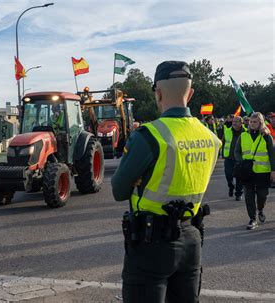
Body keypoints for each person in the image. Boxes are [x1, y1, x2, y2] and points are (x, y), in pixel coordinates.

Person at [112, 61, 221, 303]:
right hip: (191, 240)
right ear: (190, 94)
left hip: (151, 243)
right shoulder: (211, 138)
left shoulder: (150, 135)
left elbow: (119, 190)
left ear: (158, 92)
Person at [235, 112, 275, 230]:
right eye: (251, 122)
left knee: (262, 195)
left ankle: (260, 209)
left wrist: (273, 170)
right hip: (247, 172)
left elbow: (272, 154)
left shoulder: (267, 136)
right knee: (249, 196)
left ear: (260, 122)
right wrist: (241, 161)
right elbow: (237, 151)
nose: (252, 124)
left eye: (255, 122)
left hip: (263, 171)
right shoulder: (243, 135)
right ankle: (252, 219)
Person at [222, 116, 245, 200]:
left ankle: (238, 194)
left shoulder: (246, 132)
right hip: (229, 158)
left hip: (240, 158)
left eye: (236, 121)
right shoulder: (227, 131)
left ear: (241, 123)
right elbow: (223, 142)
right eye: (233, 122)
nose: (234, 123)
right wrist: (223, 155)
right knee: (228, 175)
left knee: (239, 177)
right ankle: (231, 186)